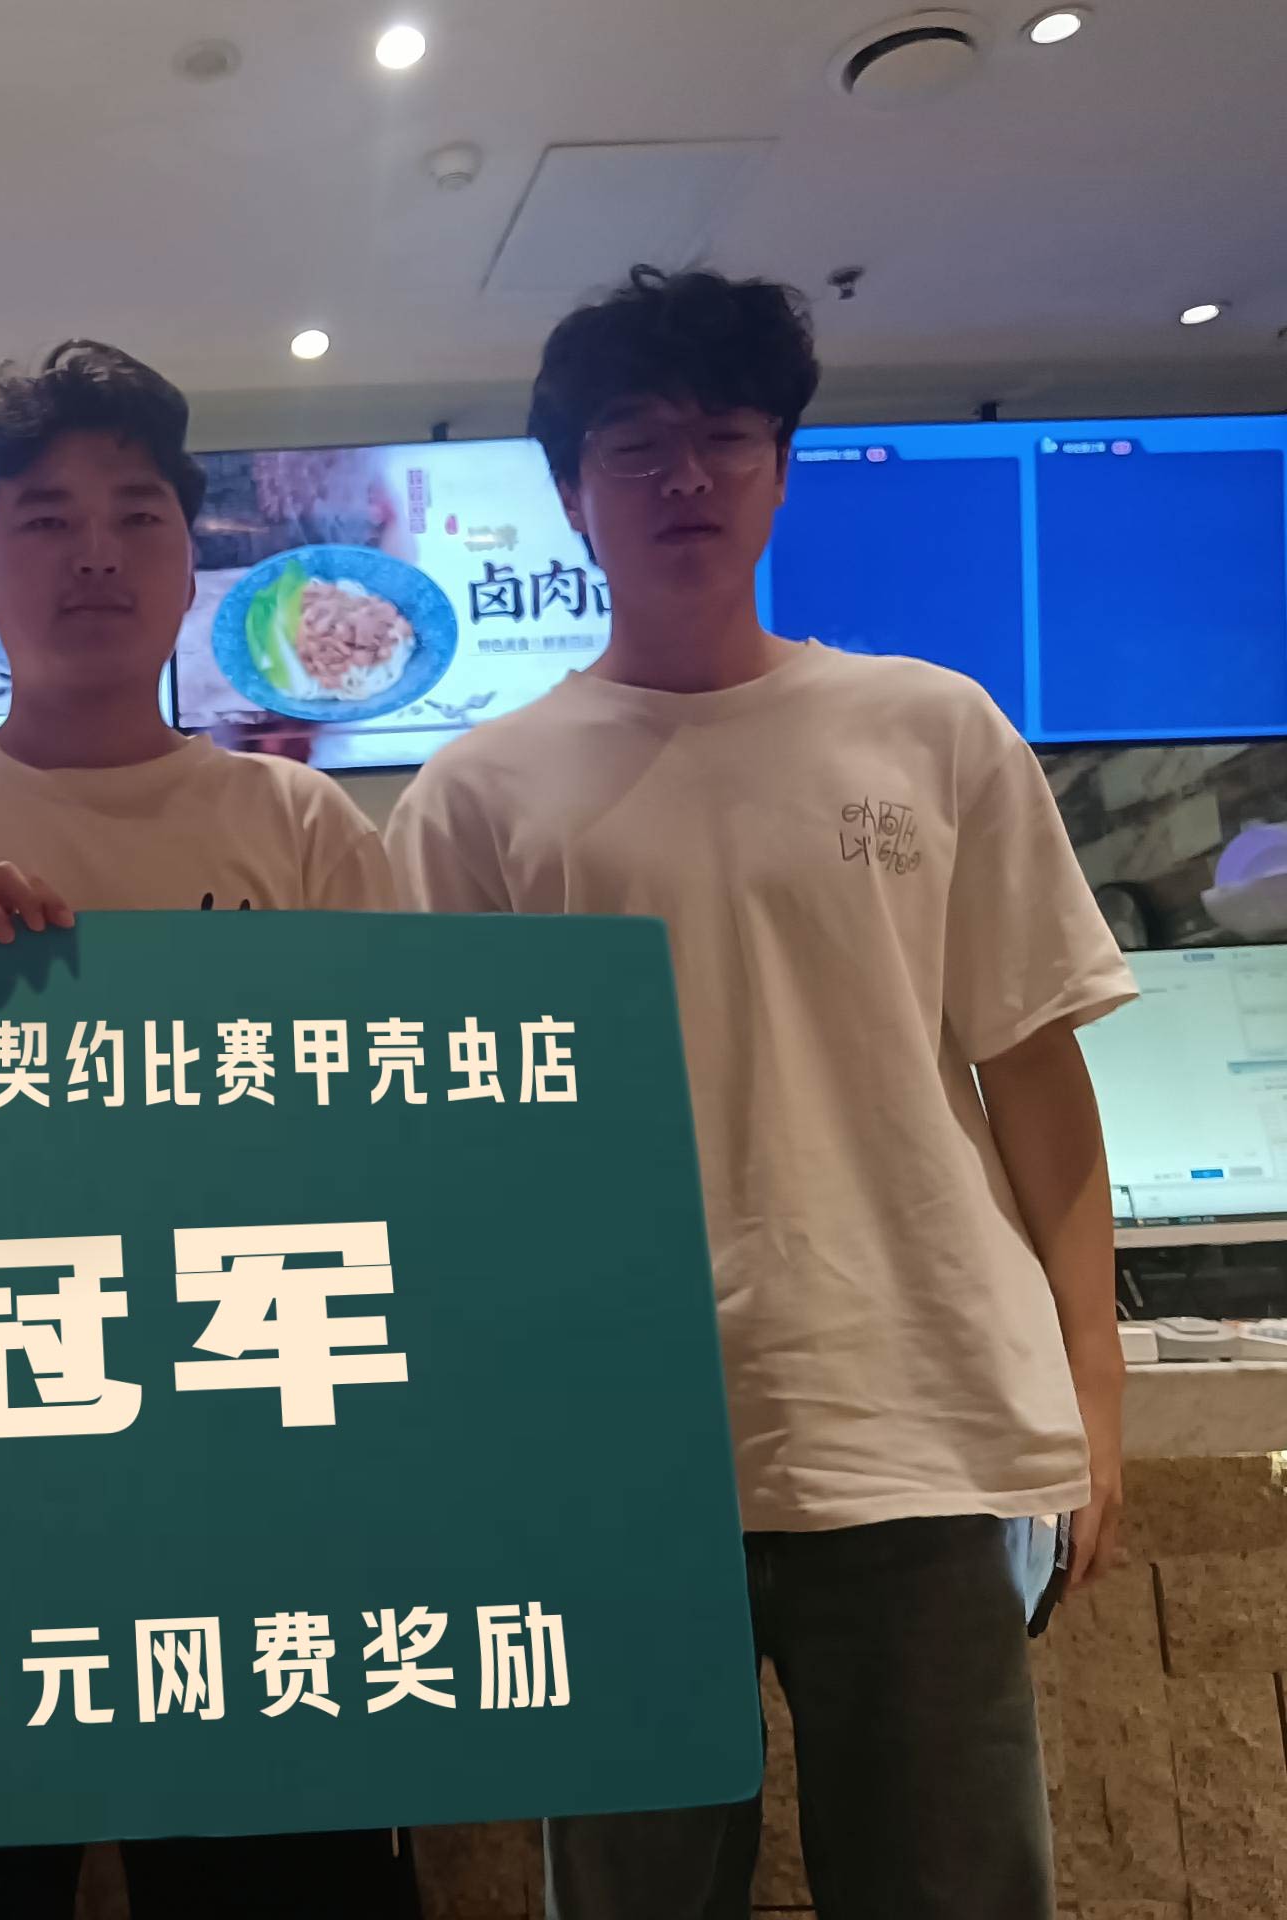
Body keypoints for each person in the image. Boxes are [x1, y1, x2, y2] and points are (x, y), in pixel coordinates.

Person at [384, 268, 1132, 1919]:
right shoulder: (475, 797)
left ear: (782, 470)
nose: (686, 477)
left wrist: (1094, 1377)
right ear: (571, 493)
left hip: (920, 1422)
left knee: (956, 1893)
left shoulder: (931, 730)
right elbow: (445, 1165)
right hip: (612, 1455)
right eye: (635, 445)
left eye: (726, 436)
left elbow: (1032, 1064)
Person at [0, 341, 411, 1919]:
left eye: (136, 514)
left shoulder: (302, 827)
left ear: (190, 566)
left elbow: (399, 1158)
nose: (96, 551)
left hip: (251, 1496)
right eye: (45, 519)